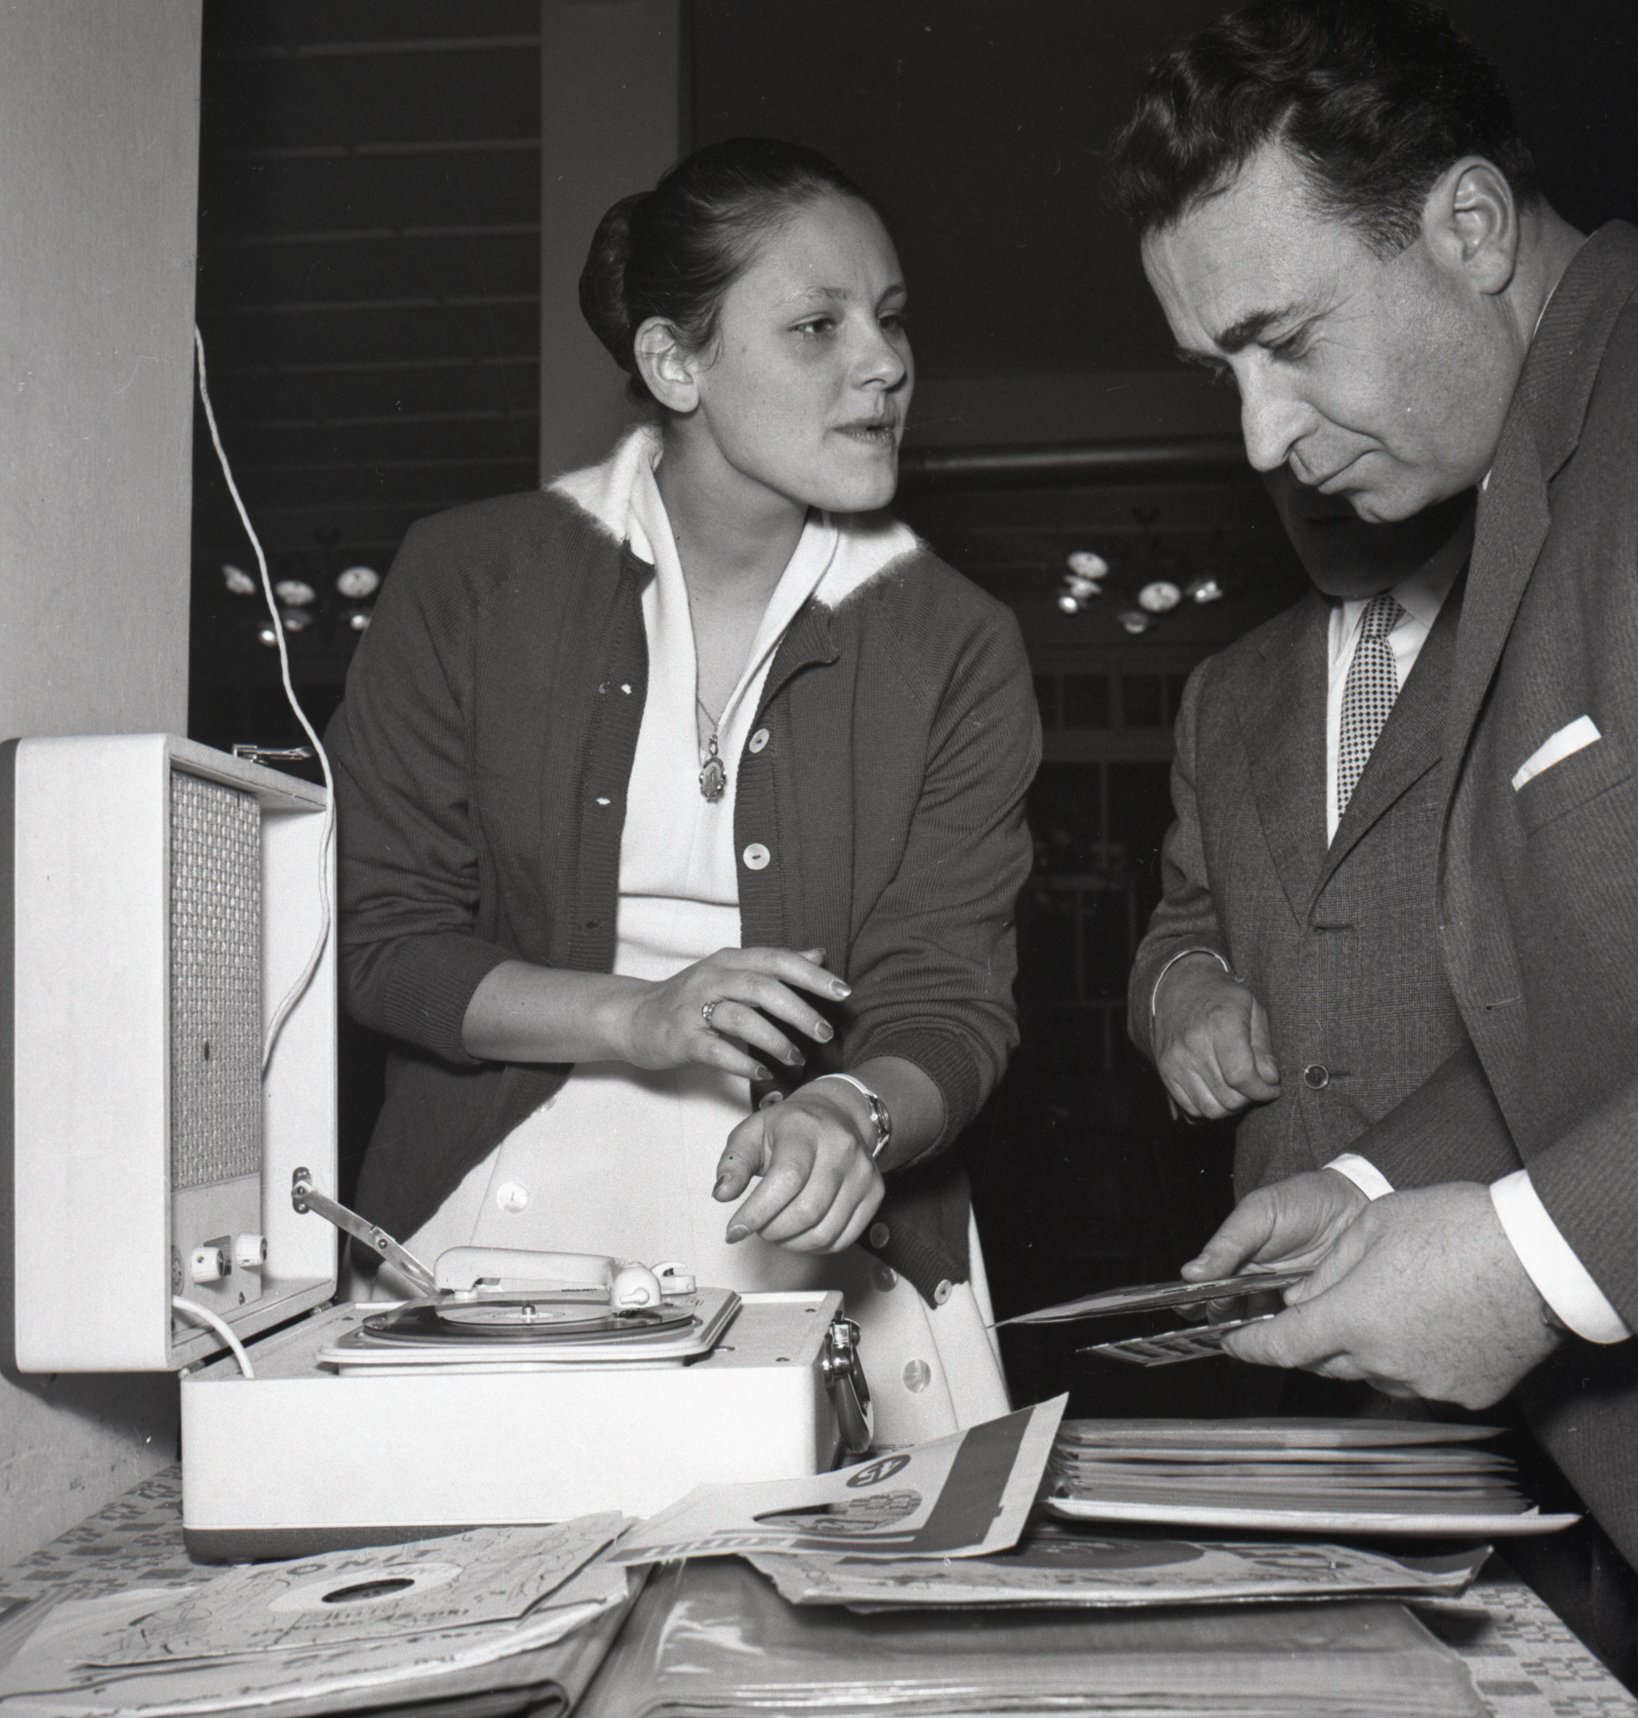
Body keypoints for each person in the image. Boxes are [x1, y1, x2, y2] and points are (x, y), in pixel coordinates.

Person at [325, 137, 1040, 1446]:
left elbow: (949, 998)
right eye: (818, 326)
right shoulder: (469, 581)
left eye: (889, 320)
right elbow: (385, 945)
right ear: (673, 363)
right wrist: (643, 1015)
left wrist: (850, 1108)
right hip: (488, 1242)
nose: (884, 364)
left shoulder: (956, 642)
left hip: (824, 1237)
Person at [1106, 0, 1638, 1656]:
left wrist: (1533, 1258)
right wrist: (1367, 1179)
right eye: (1222, 374)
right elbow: (1571, 1012)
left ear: (1468, 226)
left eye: (1285, 340)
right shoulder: (1537, 477)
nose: (1259, 438)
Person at [1129, 470, 1475, 1201]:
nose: (1304, 475)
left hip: (1493, 1225)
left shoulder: (1556, 631)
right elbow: (1187, 921)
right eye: (1274, 453)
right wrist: (1181, 986)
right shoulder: (1222, 689)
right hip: (1278, 1229)